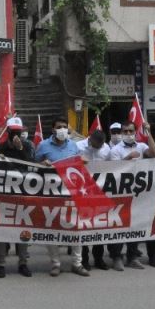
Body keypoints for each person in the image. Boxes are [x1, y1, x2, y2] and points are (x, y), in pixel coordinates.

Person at [34, 117, 88, 278]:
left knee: (76, 229)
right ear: (53, 129)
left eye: (65, 127)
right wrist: (42, 164)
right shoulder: (43, 145)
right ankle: (55, 263)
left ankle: (77, 264)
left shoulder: (73, 145)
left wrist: (83, 162)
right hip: (51, 193)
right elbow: (33, 166)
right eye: (59, 127)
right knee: (52, 228)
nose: (63, 129)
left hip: (72, 192)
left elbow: (79, 163)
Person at [109, 120, 155, 270]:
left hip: (138, 193)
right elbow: (113, 171)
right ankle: (116, 257)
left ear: (136, 132)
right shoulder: (116, 150)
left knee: (135, 225)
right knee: (118, 226)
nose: (128, 134)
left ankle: (132, 256)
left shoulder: (142, 146)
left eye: (131, 131)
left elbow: (154, 153)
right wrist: (128, 158)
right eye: (125, 132)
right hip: (120, 193)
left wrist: (148, 132)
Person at [0, 118, 34, 278]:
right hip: (4, 195)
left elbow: (31, 165)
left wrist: (20, 148)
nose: (16, 135)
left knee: (23, 230)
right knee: (3, 231)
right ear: (7, 132)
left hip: (22, 195)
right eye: (13, 132)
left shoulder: (27, 146)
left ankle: (23, 263)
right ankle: (1, 263)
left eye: (18, 132)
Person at [77, 130, 111, 271]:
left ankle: (99, 258)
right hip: (82, 191)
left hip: (100, 192)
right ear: (90, 140)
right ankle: (84, 260)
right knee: (84, 227)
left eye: (101, 145)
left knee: (99, 227)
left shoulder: (106, 148)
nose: (99, 148)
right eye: (96, 145)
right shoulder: (78, 146)